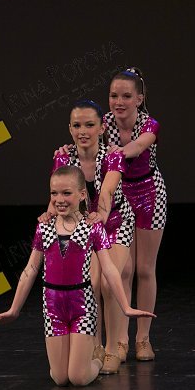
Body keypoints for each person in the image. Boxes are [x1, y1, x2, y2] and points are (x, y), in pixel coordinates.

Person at [0, 165, 155, 386]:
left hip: (82, 306)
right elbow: (30, 270)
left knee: (78, 378)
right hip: (53, 307)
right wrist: (14, 309)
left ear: (82, 194)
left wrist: (125, 306)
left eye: (66, 193)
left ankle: (97, 358)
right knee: (60, 378)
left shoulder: (92, 228)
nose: (59, 199)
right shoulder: (44, 228)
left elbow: (109, 269)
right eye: (54, 193)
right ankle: (73, 360)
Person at [50, 100, 136, 374]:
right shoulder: (64, 158)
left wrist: (101, 214)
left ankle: (113, 348)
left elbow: (108, 190)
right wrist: (48, 214)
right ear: (70, 128)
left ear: (101, 128)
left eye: (89, 125)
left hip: (116, 222)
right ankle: (95, 345)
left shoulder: (113, 156)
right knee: (91, 284)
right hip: (86, 226)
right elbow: (57, 195)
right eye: (77, 125)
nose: (82, 131)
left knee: (109, 284)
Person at [104, 67, 166, 362]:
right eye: (114, 96)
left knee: (144, 269)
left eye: (126, 96)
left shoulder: (149, 124)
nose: (119, 102)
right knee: (123, 270)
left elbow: (138, 147)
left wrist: (113, 153)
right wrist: (69, 150)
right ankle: (120, 341)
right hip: (120, 195)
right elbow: (84, 141)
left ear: (139, 99)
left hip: (150, 194)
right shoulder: (103, 123)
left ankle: (143, 338)